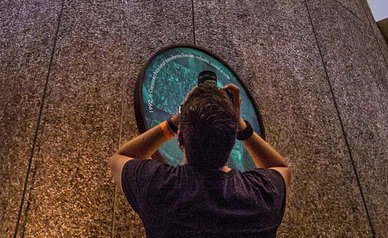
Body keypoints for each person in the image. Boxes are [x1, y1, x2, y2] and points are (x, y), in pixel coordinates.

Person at [109, 78, 290, 237]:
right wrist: (240, 125)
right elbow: (280, 168)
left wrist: (175, 121)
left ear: (180, 138)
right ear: (232, 140)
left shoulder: (157, 187)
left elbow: (122, 157)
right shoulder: (263, 196)